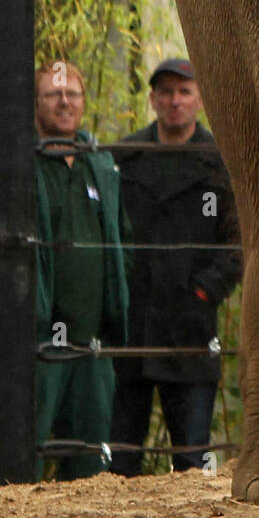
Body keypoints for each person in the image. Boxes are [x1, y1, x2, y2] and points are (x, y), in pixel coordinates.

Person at [111, 58, 241, 475]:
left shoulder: (221, 165)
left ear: (200, 100)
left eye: (184, 92)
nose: (174, 101)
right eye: (166, 92)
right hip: (131, 326)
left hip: (191, 330)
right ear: (152, 99)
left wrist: (204, 292)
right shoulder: (122, 159)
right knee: (119, 458)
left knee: (190, 459)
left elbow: (239, 243)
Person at [34, 60, 131, 480]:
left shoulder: (101, 166)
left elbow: (123, 242)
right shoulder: (21, 165)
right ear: (35, 102)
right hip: (36, 344)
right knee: (24, 459)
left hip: (92, 343)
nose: (64, 101)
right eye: (53, 93)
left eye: (72, 93)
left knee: (89, 465)